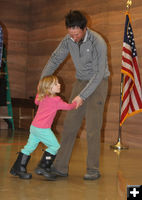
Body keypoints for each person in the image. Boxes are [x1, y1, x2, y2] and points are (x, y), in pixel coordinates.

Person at [40, 10, 110, 180]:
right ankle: (60, 167)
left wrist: (82, 96)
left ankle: (93, 170)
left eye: (77, 34)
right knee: (70, 125)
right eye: (71, 34)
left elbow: (98, 73)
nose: (74, 38)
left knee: (93, 128)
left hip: (98, 83)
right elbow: (55, 59)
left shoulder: (97, 42)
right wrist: (42, 82)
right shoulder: (68, 40)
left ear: (85, 29)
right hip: (80, 82)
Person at [10, 75, 76, 181]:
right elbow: (68, 107)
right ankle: (43, 167)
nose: (59, 85)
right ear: (48, 87)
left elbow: (36, 101)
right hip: (42, 129)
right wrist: (76, 103)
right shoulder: (56, 99)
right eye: (55, 84)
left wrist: (39, 90)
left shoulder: (41, 97)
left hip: (34, 127)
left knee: (29, 147)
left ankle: (18, 168)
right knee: (55, 146)